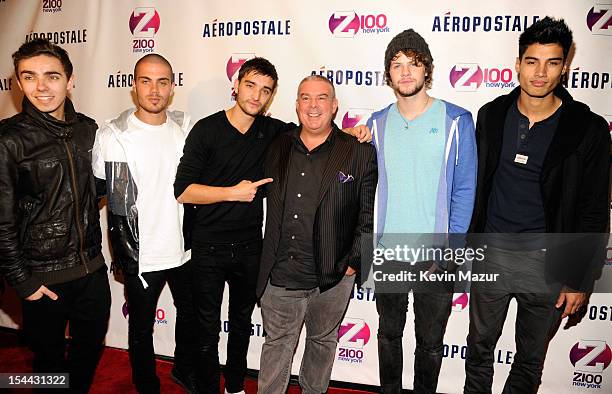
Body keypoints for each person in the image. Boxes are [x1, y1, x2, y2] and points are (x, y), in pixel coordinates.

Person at [174, 58, 370, 394]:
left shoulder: (278, 134)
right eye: (250, 86)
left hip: (273, 254)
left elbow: (365, 208)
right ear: (236, 86)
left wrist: (350, 134)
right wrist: (232, 193)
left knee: (252, 329)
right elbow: (182, 190)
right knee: (215, 332)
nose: (256, 95)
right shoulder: (223, 132)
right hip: (227, 252)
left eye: (265, 90)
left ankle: (235, 386)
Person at [464, 17, 610, 393]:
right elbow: (475, 186)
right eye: (532, 61)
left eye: (552, 62)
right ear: (518, 64)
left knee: (530, 360)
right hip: (492, 254)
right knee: (478, 351)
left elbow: (593, 208)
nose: (541, 73)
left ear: (565, 66)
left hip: (547, 264)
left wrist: (578, 277)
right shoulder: (492, 115)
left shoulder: (588, 128)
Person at [365, 29, 477, 393]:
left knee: (429, 344)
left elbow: (464, 188)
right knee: (388, 335)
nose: (406, 72)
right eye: (397, 65)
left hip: (436, 254)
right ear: (388, 74)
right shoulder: (375, 125)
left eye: (414, 63)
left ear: (427, 69)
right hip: (389, 252)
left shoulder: (457, 120)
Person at [0, 38, 110, 393]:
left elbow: (99, 191)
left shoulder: (89, 131)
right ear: (18, 82)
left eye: (52, 76)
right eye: (29, 77)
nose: (42, 87)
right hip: (43, 278)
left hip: (92, 270)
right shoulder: (8, 140)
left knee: (89, 353)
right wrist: (24, 283)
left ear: (70, 80)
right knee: (47, 365)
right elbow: (2, 222)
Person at [256, 75, 377, 393]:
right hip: (280, 274)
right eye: (305, 98)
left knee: (322, 344)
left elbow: (367, 214)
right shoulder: (276, 144)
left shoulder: (359, 152)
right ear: (296, 104)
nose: (313, 105)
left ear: (335, 105)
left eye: (322, 97)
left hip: (334, 278)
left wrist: (353, 262)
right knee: (276, 348)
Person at [92, 54, 197, 393]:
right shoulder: (113, 135)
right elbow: (108, 197)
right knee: (140, 328)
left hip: (183, 249)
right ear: (134, 86)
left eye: (162, 82)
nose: (154, 90)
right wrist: (123, 254)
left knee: (192, 316)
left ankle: (183, 369)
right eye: (146, 81)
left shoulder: (185, 129)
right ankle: (146, 383)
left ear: (172, 88)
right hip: (141, 253)